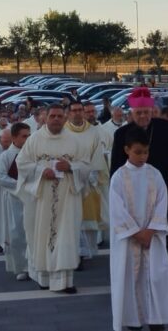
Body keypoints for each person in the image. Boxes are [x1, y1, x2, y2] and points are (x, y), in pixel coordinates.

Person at [14, 104, 90, 293]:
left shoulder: (75, 141)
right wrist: (41, 171)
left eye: (59, 116)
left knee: (66, 237)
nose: (56, 119)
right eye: (52, 116)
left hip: (67, 198)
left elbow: (87, 166)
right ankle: (44, 279)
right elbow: (21, 163)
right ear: (45, 118)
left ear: (65, 118)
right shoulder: (34, 140)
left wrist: (71, 166)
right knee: (42, 236)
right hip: (42, 199)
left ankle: (66, 282)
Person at [109, 126, 168, 331]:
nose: (142, 157)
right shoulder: (118, 178)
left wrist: (150, 230)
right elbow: (117, 209)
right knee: (130, 279)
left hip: (152, 237)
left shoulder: (155, 175)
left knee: (155, 278)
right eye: (137, 152)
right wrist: (136, 233)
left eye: (145, 152)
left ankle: (156, 320)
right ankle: (132, 321)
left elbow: (162, 202)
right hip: (129, 240)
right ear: (126, 150)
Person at [111, 87, 168, 268]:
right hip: (133, 193)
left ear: (152, 111)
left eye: (146, 112)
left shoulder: (164, 127)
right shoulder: (122, 134)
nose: (143, 116)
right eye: (139, 112)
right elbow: (117, 165)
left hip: (162, 188)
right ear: (132, 113)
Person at [66, 99, 107, 261]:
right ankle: (74, 253)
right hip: (69, 181)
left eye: (79, 110)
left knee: (86, 218)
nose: (77, 113)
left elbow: (97, 155)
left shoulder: (93, 132)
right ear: (68, 113)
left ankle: (85, 250)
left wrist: (93, 174)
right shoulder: (63, 132)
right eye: (74, 110)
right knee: (72, 219)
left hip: (89, 182)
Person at [0, 122, 31, 281]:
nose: (28, 139)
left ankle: (35, 265)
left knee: (33, 232)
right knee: (17, 233)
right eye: (24, 136)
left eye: (29, 135)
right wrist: (20, 185)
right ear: (15, 137)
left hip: (32, 198)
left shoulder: (33, 154)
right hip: (14, 200)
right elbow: (1, 178)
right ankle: (21, 267)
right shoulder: (5, 156)